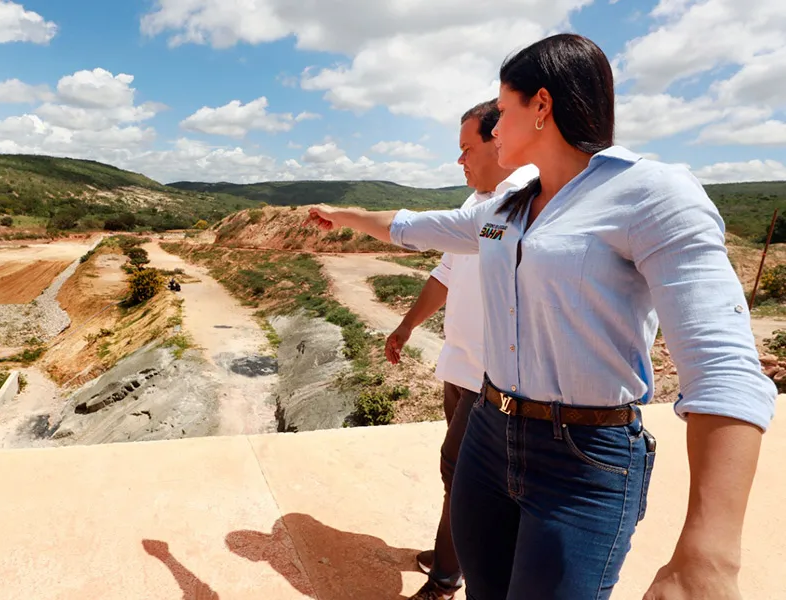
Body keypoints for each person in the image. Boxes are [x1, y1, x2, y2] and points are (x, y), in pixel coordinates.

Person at [304, 33, 776, 600]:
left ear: (542, 107)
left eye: (502, 111)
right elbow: (413, 226)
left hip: (582, 459)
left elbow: (723, 366)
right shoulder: (507, 206)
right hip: (488, 430)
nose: (495, 127)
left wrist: (709, 555)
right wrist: (344, 214)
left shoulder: (653, 194)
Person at [385, 100, 536, 600]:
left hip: (493, 380)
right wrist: (407, 326)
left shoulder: (521, 200)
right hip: (461, 368)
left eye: (467, 148)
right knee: (459, 474)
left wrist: (349, 216)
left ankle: (448, 575)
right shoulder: (479, 205)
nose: (460, 160)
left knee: (462, 476)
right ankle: (455, 551)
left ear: (500, 142)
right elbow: (446, 275)